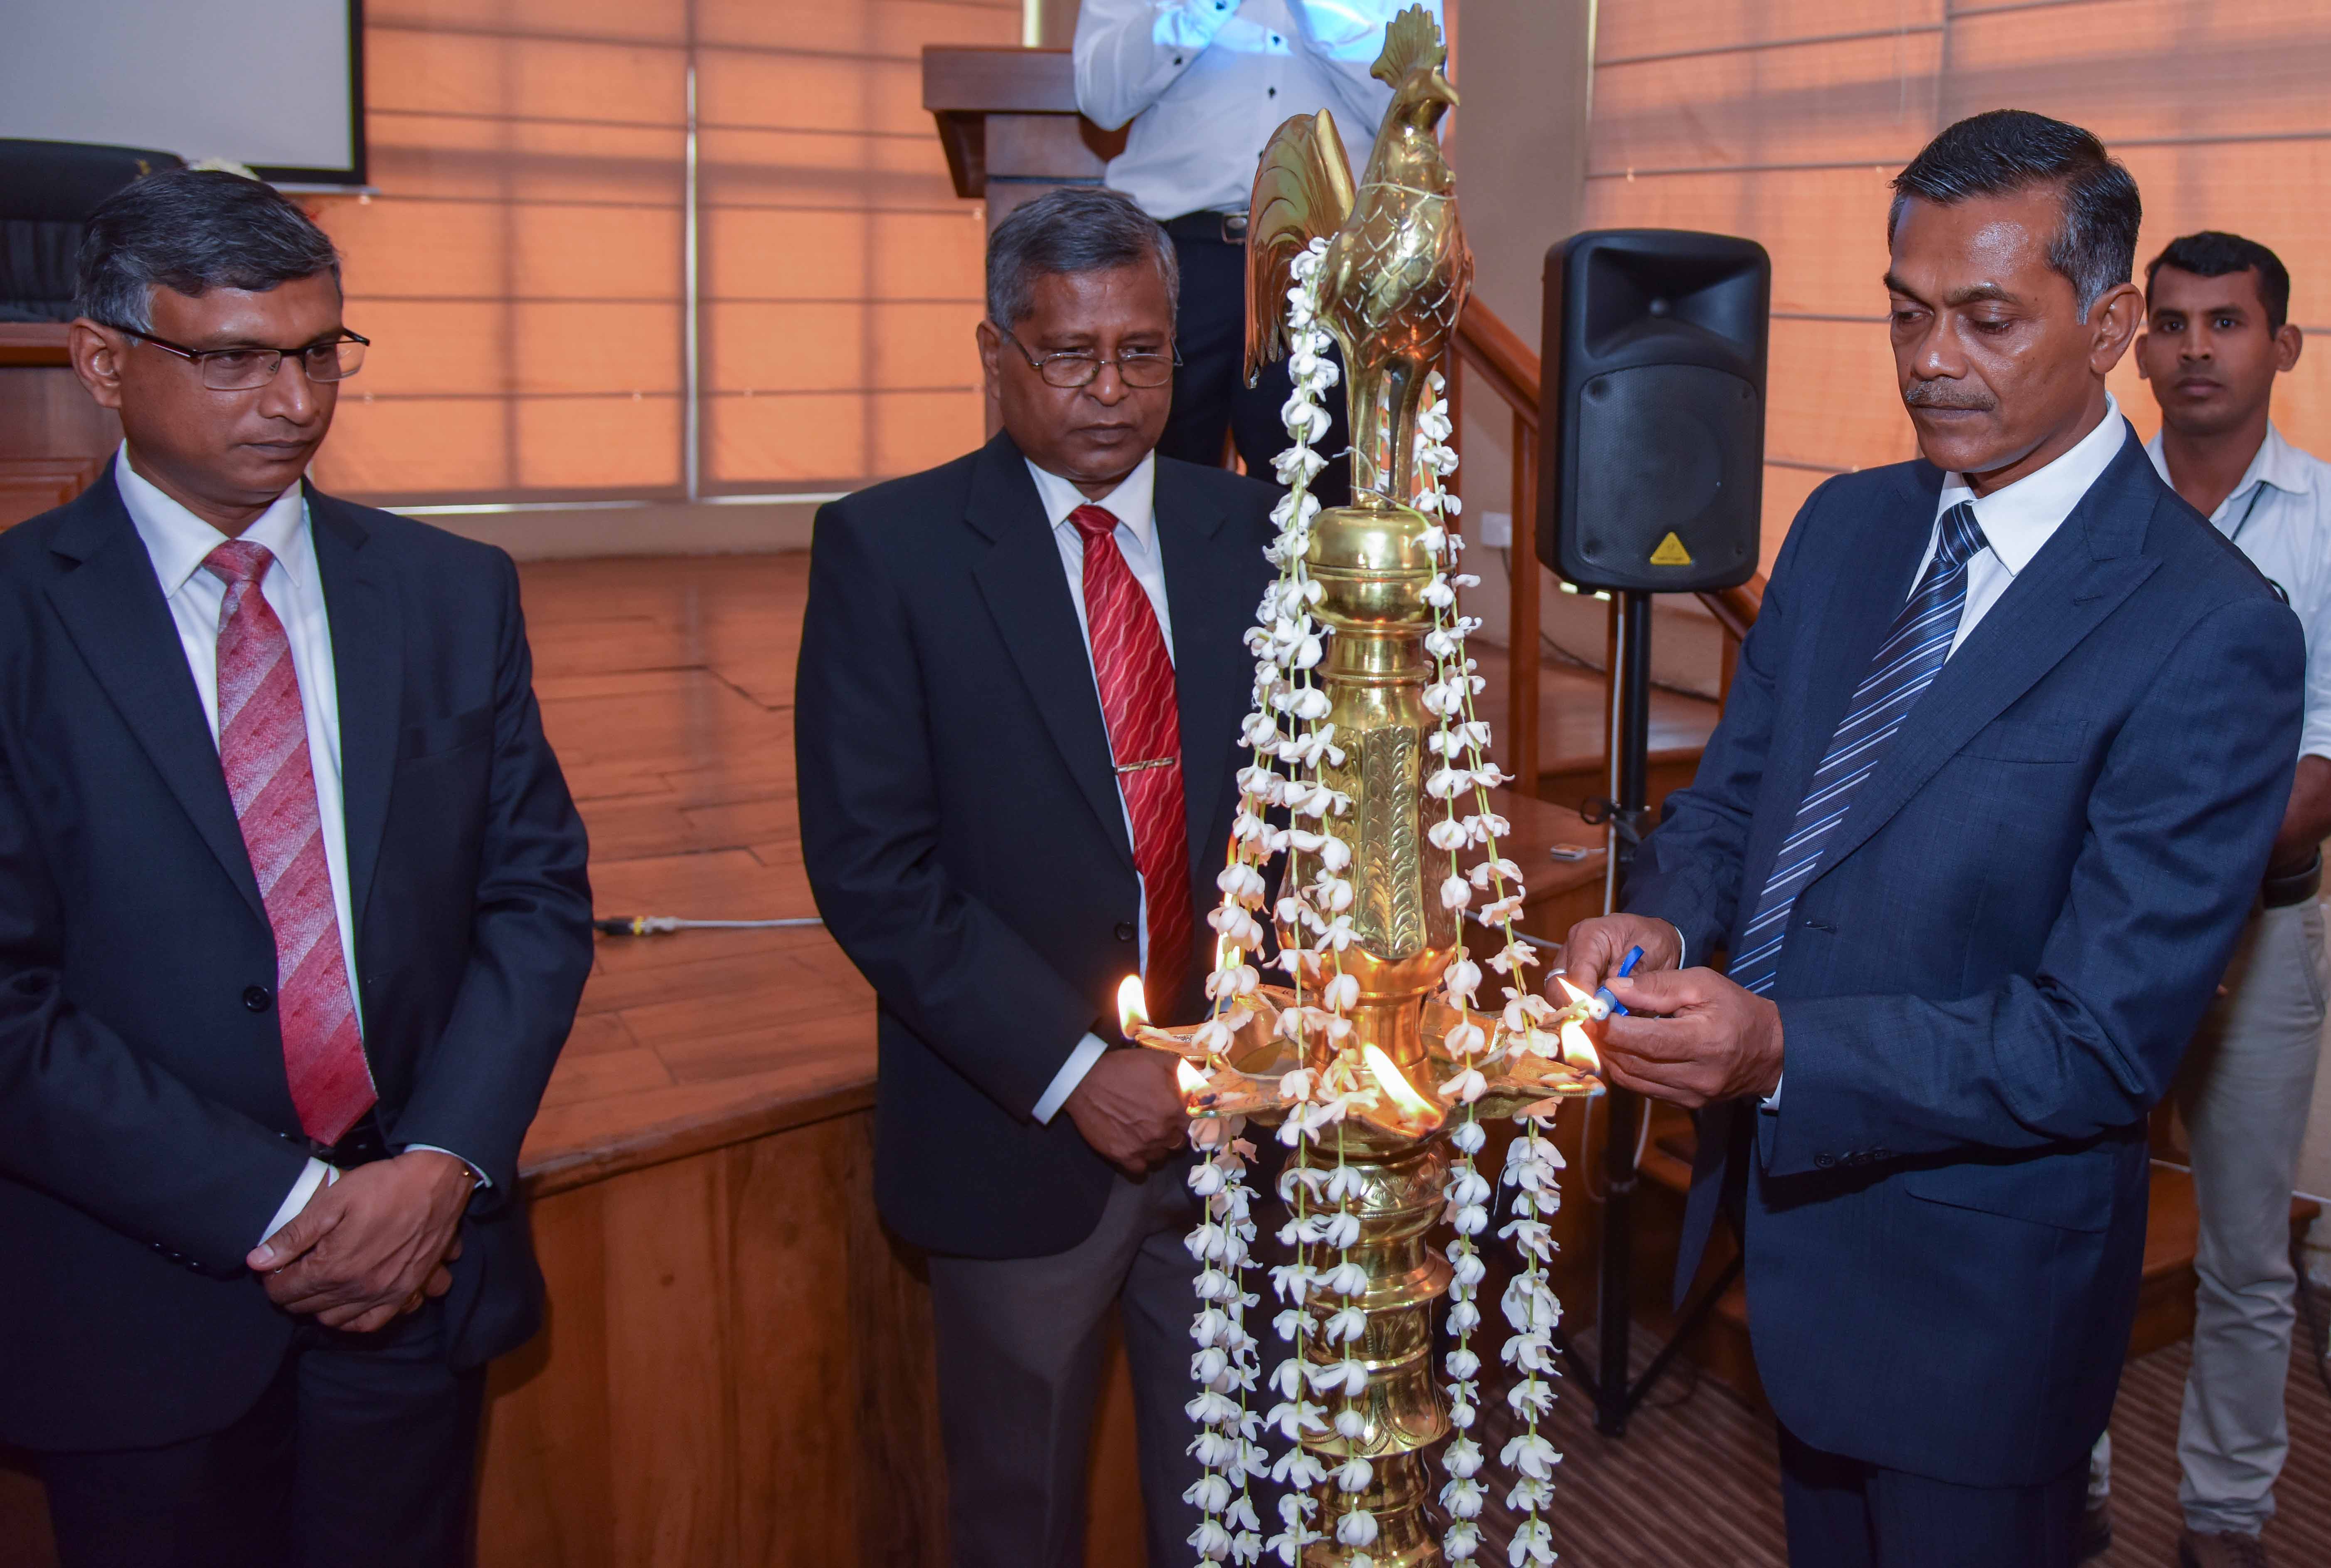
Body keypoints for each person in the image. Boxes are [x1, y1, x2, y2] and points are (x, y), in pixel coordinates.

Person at [1559, 111, 2306, 1568]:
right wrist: (1664, 916)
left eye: (1984, 318)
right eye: (1905, 313)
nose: (1927, 360)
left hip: (1981, 1299)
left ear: (2107, 329)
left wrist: (1780, 1050)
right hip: (1791, 1242)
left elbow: (2096, 1042)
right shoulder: (1847, 526)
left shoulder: (2209, 629)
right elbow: (1736, 804)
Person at [0, 169, 594, 1567]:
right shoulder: (17, 622)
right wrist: (295, 1209)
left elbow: (533, 898)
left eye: (320, 353)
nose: (292, 402)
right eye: (233, 360)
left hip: (419, 1276)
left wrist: (439, 1164)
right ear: (101, 360)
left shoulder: (452, 592)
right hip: (138, 1308)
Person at [794, 185, 1278, 1568]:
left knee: (1239, 1513)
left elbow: (1297, 824)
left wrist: (1250, 1040)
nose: (1109, 391)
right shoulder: (889, 550)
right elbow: (874, 868)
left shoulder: (1258, 535)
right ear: (995, 351)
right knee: (1021, 1517)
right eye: (1068, 354)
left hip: (1238, 1127)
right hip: (1018, 1134)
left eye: (1141, 352)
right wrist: (1076, 1072)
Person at [2090, 231, 2328, 1568]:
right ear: (2138, 344)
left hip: (2265, 939)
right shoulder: (2092, 507)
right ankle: (2062, 1478)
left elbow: (2319, 765)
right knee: (2077, 1229)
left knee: (2245, 1254)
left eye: (2225, 323)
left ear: (2280, 345)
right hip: (2090, 941)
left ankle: (2228, 1515)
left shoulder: (2326, 522)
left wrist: (2185, 887)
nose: (2194, 350)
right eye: (2170, 324)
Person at [1074, 0, 1444, 505]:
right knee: (1150, 484)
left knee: (1311, 493)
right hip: (1175, 258)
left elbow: (1419, 109)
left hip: (1323, 263)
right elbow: (1099, 97)